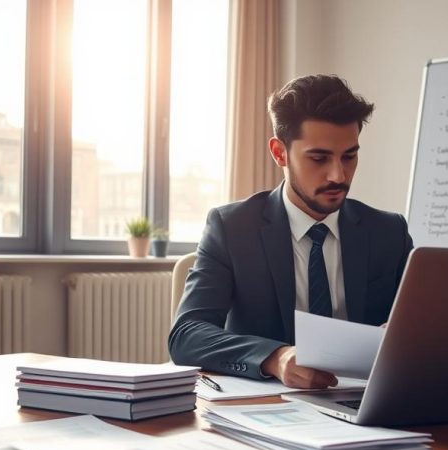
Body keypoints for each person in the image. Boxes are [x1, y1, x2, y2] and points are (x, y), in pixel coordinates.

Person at [168, 74, 413, 388]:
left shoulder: (388, 232)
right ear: (280, 153)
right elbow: (187, 334)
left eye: (349, 156)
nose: (338, 175)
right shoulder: (232, 228)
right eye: (319, 158)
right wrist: (275, 358)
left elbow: (423, 326)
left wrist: (406, 333)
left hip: (364, 403)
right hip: (267, 405)